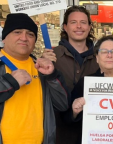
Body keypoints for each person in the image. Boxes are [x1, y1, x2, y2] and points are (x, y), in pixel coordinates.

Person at [0, 13, 69, 143]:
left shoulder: (41, 67)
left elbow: (62, 104)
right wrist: (10, 82)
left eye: (30, 34)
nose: (24, 38)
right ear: (4, 37)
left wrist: (52, 76)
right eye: (17, 32)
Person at [42, 5, 99, 144]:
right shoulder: (52, 57)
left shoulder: (101, 58)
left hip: (94, 132)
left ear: (90, 27)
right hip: (59, 133)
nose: (79, 26)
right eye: (73, 22)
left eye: (83, 22)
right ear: (65, 27)